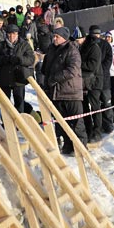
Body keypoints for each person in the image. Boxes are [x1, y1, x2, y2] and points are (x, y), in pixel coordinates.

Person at [41, 26, 87, 155]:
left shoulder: (72, 50)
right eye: (54, 36)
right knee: (62, 123)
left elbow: (72, 70)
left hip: (71, 92)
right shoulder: (51, 50)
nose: (54, 38)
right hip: (57, 92)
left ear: (64, 38)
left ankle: (81, 149)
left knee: (77, 123)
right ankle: (67, 147)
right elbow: (46, 68)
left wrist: (54, 78)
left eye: (57, 37)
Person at [0, 24, 34, 113]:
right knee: (5, 103)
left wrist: (19, 59)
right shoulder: (1, 45)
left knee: (19, 102)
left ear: (17, 34)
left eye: (14, 34)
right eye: (9, 34)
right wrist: (4, 59)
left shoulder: (24, 44)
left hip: (19, 79)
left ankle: (19, 123)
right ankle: (6, 123)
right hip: (5, 78)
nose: (12, 36)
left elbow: (31, 59)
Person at [73, 26, 102, 143]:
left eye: (78, 40)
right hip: (83, 82)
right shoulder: (81, 47)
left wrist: (78, 64)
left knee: (95, 108)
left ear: (84, 38)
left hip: (94, 82)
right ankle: (88, 131)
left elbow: (92, 66)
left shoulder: (94, 48)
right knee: (84, 108)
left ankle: (97, 132)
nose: (77, 42)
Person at [90, 25, 114, 134]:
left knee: (106, 103)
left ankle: (108, 124)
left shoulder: (106, 45)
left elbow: (108, 61)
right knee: (96, 106)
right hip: (92, 81)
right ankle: (98, 127)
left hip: (104, 80)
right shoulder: (88, 45)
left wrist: (99, 70)